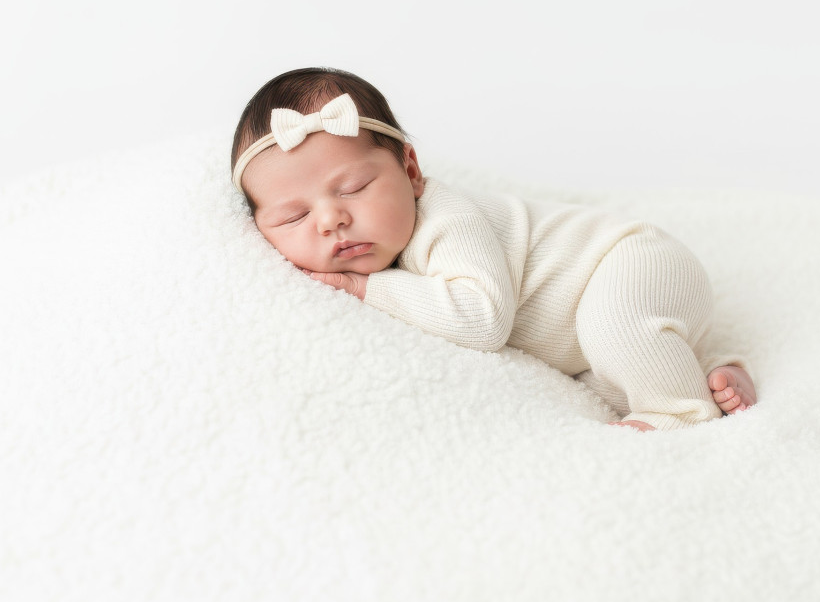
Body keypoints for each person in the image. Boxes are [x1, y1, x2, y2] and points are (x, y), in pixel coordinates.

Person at [231, 67, 757, 432]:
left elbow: (482, 321)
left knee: (617, 331)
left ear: (411, 172)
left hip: (629, 260)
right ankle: (711, 373)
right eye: (294, 217)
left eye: (353, 188)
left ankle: (682, 415)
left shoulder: (447, 221)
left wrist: (364, 286)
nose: (331, 219)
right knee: (612, 374)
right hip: (585, 321)